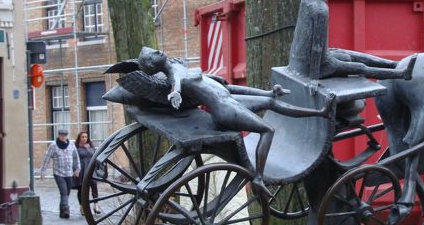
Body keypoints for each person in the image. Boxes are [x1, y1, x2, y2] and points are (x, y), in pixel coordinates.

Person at [137, 47, 334, 194]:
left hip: (228, 100)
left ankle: (320, 113)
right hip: (224, 110)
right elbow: (177, 84)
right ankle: (258, 178)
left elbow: (228, 88)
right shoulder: (175, 73)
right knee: (267, 130)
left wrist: (268, 92)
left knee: (271, 101)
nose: (157, 51)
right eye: (153, 54)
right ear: (153, 65)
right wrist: (176, 93)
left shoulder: (178, 66)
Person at [287, 0, 417, 84]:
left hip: (299, 61)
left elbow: (318, 48)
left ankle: (394, 64)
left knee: (348, 55)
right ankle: (401, 73)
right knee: (360, 67)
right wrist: (314, 79)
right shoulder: (320, 10)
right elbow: (317, 47)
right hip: (317, 66)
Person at [40, 128, 80, 219]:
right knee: (63, 191)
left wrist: (77, 169)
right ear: (58, 135)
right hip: (58, 173)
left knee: (67, 192)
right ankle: (66, 209)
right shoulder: (53, 145)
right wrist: (43, 171)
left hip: (69, 173)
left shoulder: (71, 145)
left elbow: (76, 157)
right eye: (61, 135)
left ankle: (62, 211)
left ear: (67, 136)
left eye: (65, 135)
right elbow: (47, 158)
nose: (63, 137)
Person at [72, 131, 100, 215]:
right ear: (79, 138)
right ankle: (83, 206)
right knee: (82, 188)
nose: (85, 138)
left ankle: (96, 205)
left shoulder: (91, 146)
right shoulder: (76, 147)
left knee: (94, 185)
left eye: (86, 137)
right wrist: (75, 170)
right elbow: (73, 159)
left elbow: (95, 156)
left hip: (91, 169)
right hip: (81, 169)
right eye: (83, 137)